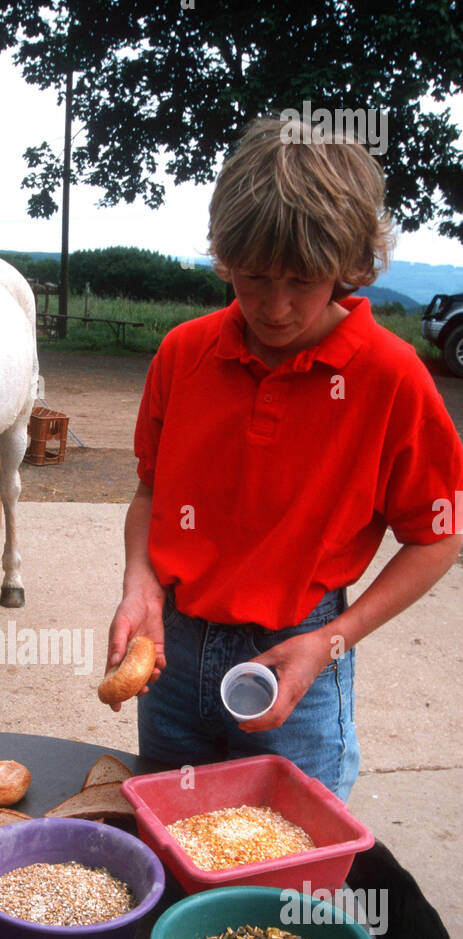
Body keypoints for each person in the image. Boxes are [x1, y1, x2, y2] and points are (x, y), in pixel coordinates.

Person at [106, 117, 463, 800]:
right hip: (173, 657)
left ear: (352, 265)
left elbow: (435, 536)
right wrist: (139, 588)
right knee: (172, 837)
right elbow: (151, 495)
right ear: (223, 257)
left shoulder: (391, 376)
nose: (274, 306)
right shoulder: (184, 354)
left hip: (300, 650)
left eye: (302, 280)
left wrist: (330, 642)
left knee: (284, 875)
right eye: (253, 276)